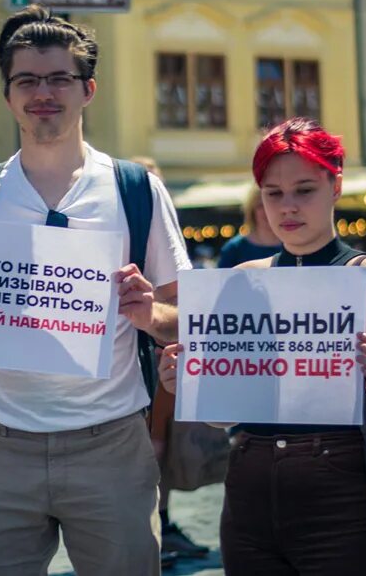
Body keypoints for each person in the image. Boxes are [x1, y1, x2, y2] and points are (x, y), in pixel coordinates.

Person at [0, 6, 191, 575]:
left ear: (88, 90)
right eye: (27, 80)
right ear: (8, 95)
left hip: (110, 446)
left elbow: (186, 318)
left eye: (59, 79)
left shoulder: (136, 190)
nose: (42, 93)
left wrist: (152, 314)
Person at [159, 117, 366, 575]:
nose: (288, 206)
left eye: (304, 190)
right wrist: (188, 382)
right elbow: (224, 414)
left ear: (336, 185)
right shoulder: (244, 279)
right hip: (249, 494)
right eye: (273, 193)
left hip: (346, 497)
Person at [131, 154, 210, 569]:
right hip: (132, 359)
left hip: (164, 354)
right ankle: (148, 524)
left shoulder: (168, 235)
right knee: (145, 443)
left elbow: (183, 298)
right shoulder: (119, 228)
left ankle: (160, 521)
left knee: (161, 443)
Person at [218, 186, 282, 269]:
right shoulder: (234, 249)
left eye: (272, 204)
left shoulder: (294, 246)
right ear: (251, 210)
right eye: (260, 205)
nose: (266, 210)